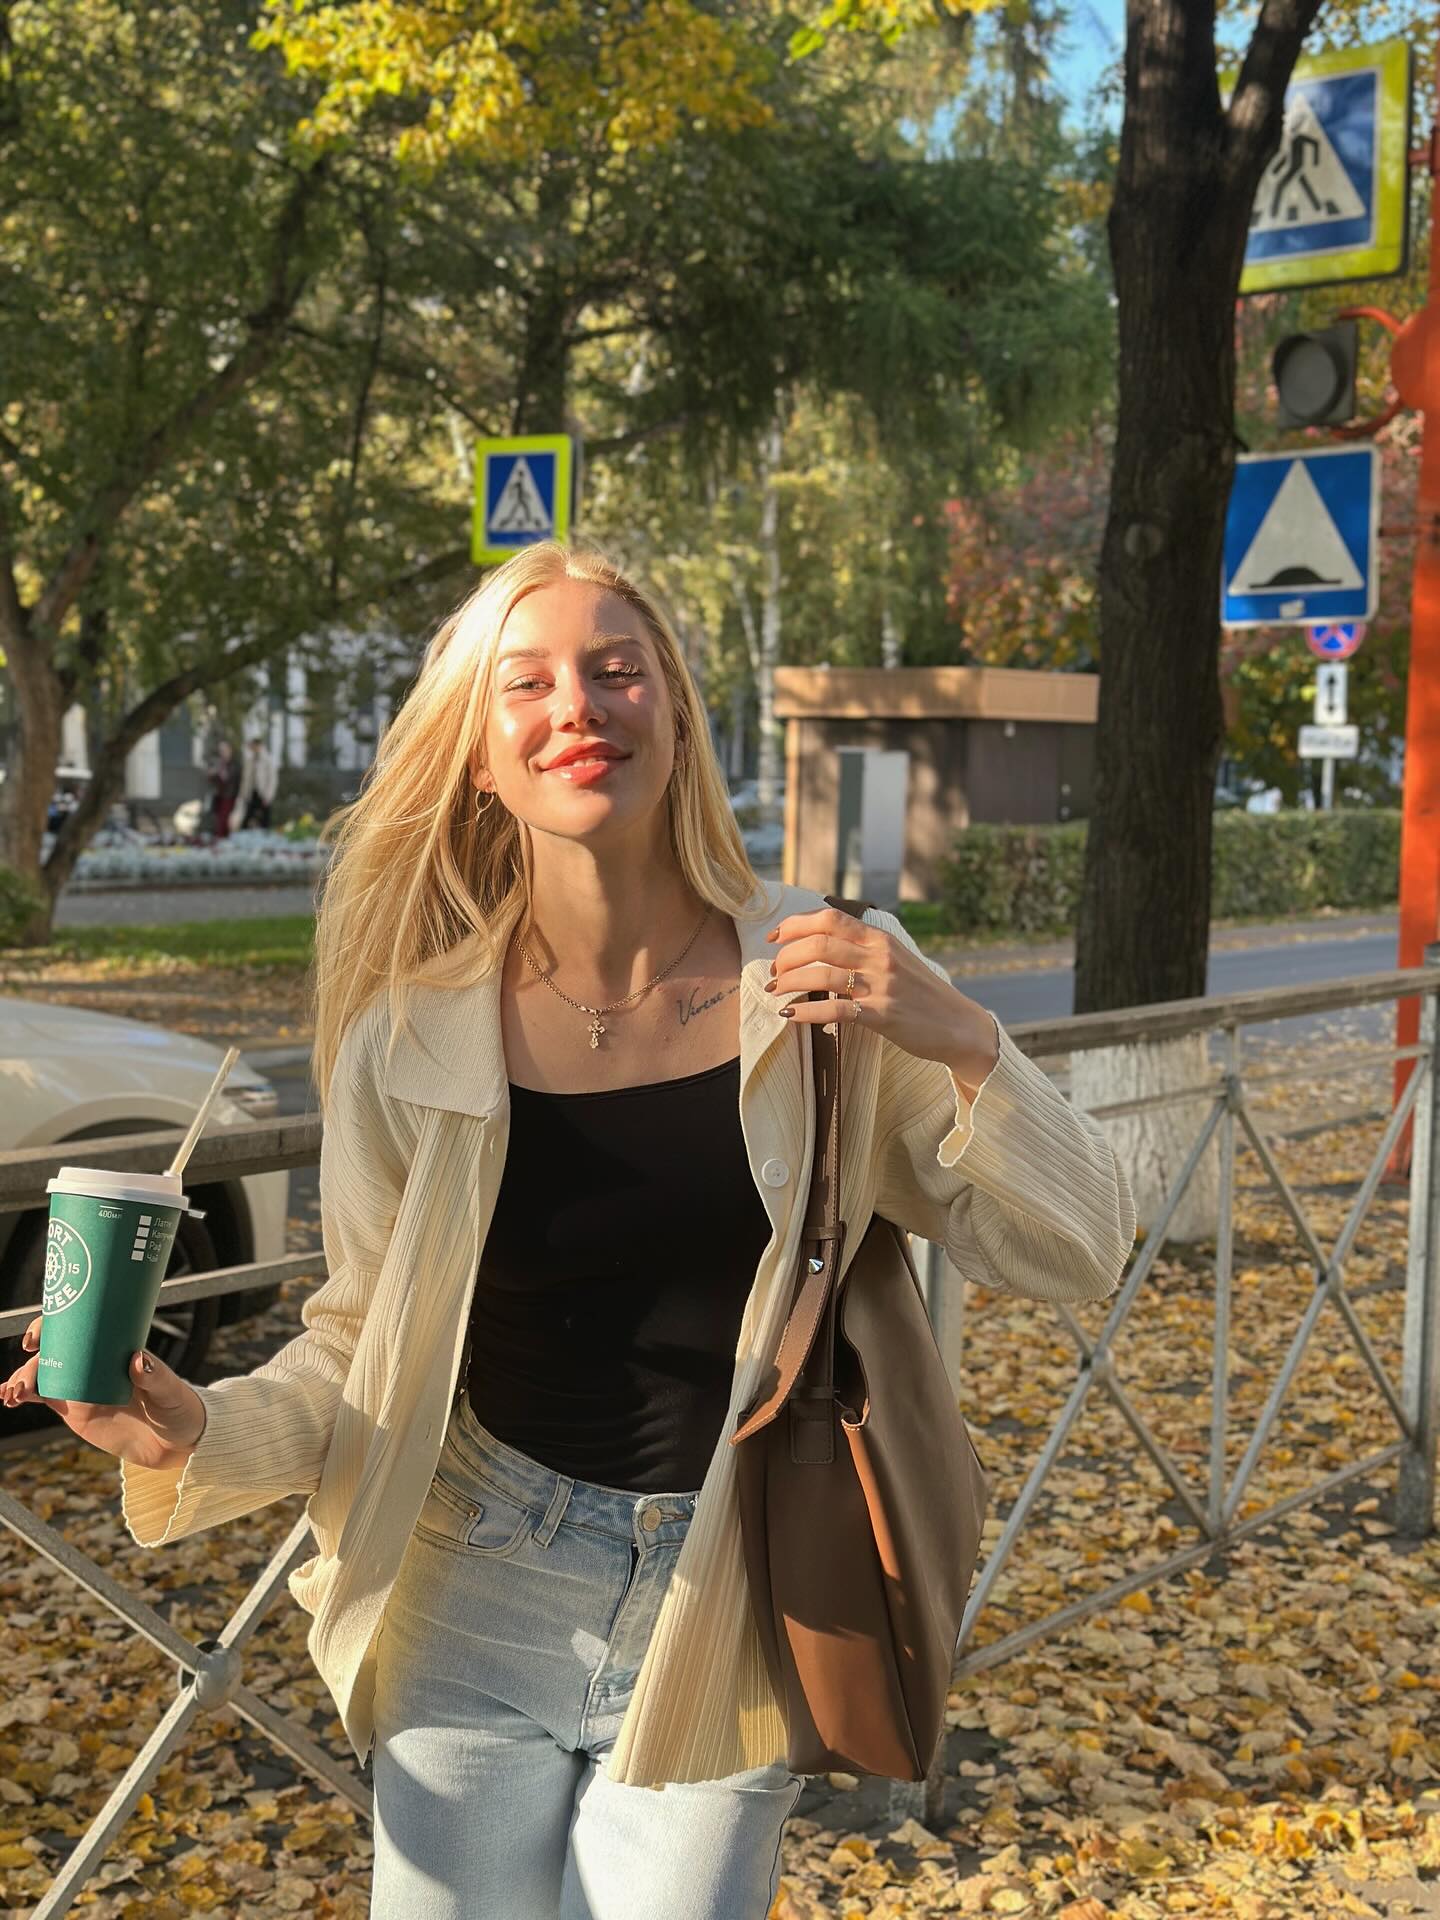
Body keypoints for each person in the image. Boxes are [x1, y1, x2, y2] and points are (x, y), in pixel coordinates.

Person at [2, 541, 1135, 1919]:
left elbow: (1077, 1248)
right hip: (474, 1578)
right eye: (526, 683)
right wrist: (199, 1429)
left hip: (732, 1583)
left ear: (678, 716)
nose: (577, 707)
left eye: (615, 669)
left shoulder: (821, 978)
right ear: (482, 758)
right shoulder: (412, 1033)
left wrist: (961, 1037)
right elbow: (360, 1340)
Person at [238, 735, 278, 830]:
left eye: (254, 746)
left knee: (265, 819)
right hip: (251, 793)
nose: (253, 748)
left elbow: (272, 780)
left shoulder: (268, 760)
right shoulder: (249, 760)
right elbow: (245, 779)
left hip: (263, 793)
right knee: (247, 818)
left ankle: (265, 835)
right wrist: (243, 794)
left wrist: (268, 796)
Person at [207, 738, 240, 839]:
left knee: (225, 820)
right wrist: (212, 774)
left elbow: (232, 779)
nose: (222, 753)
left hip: (229, 796)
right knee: (218, 819)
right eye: (220, 751)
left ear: (229, 750)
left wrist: (221, 773)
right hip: (218, 796)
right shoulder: (218, 763)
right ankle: (220, 838)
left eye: (224, 750)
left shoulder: (234, 764)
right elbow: (212, 779)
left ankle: (223, 839)